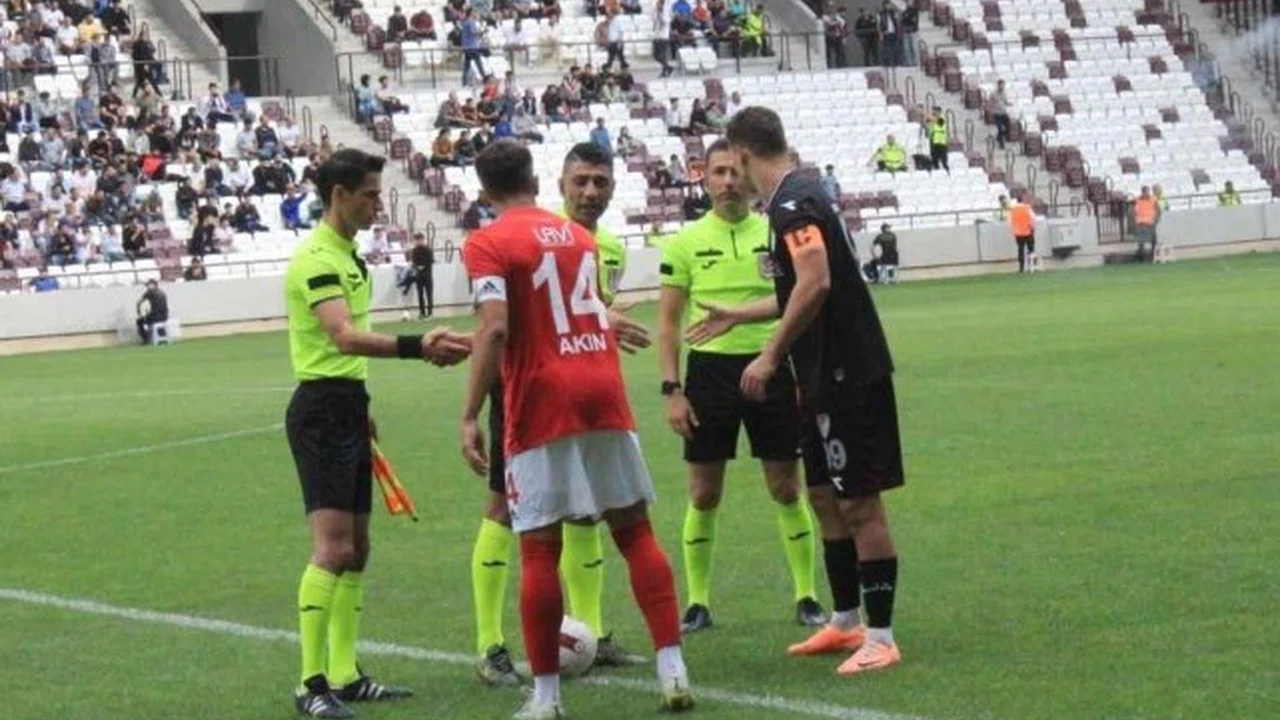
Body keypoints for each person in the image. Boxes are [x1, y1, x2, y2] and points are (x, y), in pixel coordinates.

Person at [461, 140, 693, 719]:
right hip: (602, 387)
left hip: (542, 398)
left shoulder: (487, 242)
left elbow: (495, 329)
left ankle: (546, 697)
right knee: (635, 533)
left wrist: (469, 412)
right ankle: (673, 671)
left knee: (540, 547)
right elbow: (578, 305)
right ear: (538, 180)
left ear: (484, 192)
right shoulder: (579, 237)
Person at [696, 106, 905, 675]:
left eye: (731, 162)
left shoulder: (794, 203)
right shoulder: (792, 199)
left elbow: (815, 280)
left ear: (742, 154)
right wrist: (738, 315)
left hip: (846, 374)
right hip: (818, 379)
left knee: (858, 501)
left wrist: (769, 355)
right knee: (822, 496)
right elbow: (798, 287)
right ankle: (845, 621)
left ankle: (881, 636)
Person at [283, 148, 471, 718]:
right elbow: (342, 337)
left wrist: (361, 404)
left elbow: (347, 351)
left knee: (358, 550)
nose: (378, 204)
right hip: (320, 409)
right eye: (369, 194)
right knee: (333, 548)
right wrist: (418, 347)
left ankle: (345, 674)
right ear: (338, 194)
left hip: (345, 404)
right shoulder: (316, 258)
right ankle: (310, 684)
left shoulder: (349, 257)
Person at [657, 138, 826, 634]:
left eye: (735, 172)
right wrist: (672, 389)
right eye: (719, 173)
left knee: (786, 486)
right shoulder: (684, 243)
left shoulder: (776, 231)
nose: (728, 182)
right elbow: (667, 324)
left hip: (771, 365)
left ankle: (807, 595)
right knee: (703, 493)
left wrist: (796, 372)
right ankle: (698, 602)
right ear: (704, 178)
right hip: (708, 374)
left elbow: (800, 299)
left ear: (748, 177)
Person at [1130, 186, 1160, 263]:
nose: (1147, 193)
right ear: (1142, 192)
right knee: (1141, 241)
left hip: (1150, 223)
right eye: (1146, 192)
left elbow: (1158, 210)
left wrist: (1156, 220)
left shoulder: (1153, 199)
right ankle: (1141, 258)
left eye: (1148, 191)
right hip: (1140, 223)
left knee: (1153, 240)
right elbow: (1132, 211)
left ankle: (1154, 256)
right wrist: (1134, 221)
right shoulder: (1137, 199)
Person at [408, 232, 434, 318]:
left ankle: (430, 313)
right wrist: (417, 267)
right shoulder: (414, 251)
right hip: (419, 276)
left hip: (427, 275)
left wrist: (423, 266)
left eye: (419, 240)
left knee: (429, 294)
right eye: (416, 240)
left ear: (423, 240)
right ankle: (422, 312)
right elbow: (413, 261)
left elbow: (431, 260)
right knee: (420, 294)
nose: (418, 242)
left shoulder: (428, 249)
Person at [135, 278, 168, 343]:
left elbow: (139, 301)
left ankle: (146, 339)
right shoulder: (156, 292)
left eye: (149, 285)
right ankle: (160, 337)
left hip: (158, 315)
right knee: (143, 320)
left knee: (140, 321)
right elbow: (140, 301)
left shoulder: (155, 293)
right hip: (161, 315)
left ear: (154, 285)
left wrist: (142, 313)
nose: (147, 287)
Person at [1008, 194, 1035, 273]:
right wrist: (1032, 228)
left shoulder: (1013, 209)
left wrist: (1014, 230)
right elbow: (1033, 218)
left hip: (1018, 232)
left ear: (1017, 201)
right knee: (1030, 248)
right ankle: (1031, 265)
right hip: (1028, 231)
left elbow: (1010, 221)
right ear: (1023, 200)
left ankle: (1021, 267)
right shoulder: (1027, 207)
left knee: (1020, 249)